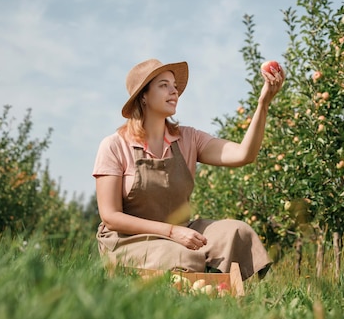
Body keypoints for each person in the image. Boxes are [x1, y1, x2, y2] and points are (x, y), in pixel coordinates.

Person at [93, 58, 284, 281]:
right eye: (164, 85)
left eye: (174, 86)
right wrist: (172, 233)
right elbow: (110, 216)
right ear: (143, 96)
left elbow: (244, 154)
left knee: (238, 232)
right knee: (182, 255)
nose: (174, 91)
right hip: (129, 239)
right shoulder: (115, 145)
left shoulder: (188, 138)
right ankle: (198, 284)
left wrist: (264, 103)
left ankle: (224, 292)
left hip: (180, 230)